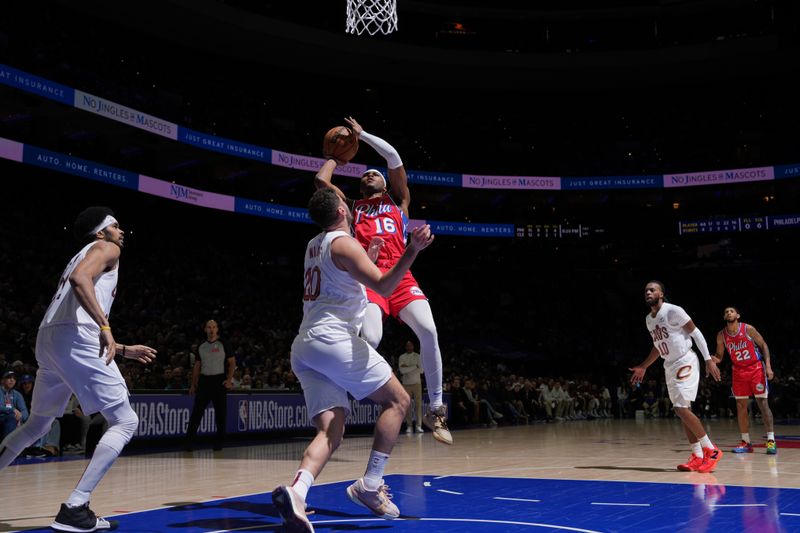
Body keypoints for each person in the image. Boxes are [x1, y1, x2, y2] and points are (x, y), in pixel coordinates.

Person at [271, 185, 434, 532]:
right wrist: (412, 249)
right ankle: (370, 486)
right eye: (345, 202)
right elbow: (386, 287)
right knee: (398, 400)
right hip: (334, 340)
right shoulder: (344, 243)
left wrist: (369, 259)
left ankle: (296, 493)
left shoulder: (314, 245)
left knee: (332, 429)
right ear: (342, 211)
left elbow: (342, 284)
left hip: (305, 345)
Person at [0, 206, 157, 532]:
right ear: (101, 232)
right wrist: (106, 327)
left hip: (49, 338)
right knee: (126, 421)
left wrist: (123, 349)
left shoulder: (81, 253)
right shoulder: (107, 248)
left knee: (38, 424)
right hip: (75, 337)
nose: (121, 230)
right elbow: (80, 280)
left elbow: (75, 304)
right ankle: (76, 505)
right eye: (115, 225)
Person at [315, 117, 451, 446]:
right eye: (365, 174)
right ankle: (340, 389)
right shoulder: (350, 208)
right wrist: (336, 157)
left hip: (401, 274)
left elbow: (393, 158)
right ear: (361, 187)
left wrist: (362, 137)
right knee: (371, 338)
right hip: (370, 277)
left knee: (429, 330)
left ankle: (436, 408)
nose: (371, 173)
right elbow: (320, 181)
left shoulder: (399, 201)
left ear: (386, 185)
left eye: (374, 173)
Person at [630, 280, 723, 473]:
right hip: (669, 364)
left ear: (661, 294)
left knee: (680, 408)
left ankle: (711, 450)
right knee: (682, 410)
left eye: (652, 289)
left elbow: (696, 333)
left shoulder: (673, 310)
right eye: (646, 290)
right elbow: (658, 346)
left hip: (685, 360)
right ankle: (697, 456)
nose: (648, 292)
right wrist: (644, 366)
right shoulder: (649, 319)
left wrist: (708, 359)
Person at [711, 306, 777, 454]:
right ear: (724, 317)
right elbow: (719, 356)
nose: (729, 313)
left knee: (762, 403)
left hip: (755, 368)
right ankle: (746, 442)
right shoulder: (721, 335)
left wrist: (768, 366)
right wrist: (712, 360)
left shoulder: (748, 329)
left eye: (731, 311)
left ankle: (771, 440)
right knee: (741, 407)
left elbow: (763, 345)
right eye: (726, 311)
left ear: (738, 315)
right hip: (738, 372)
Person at [185, 319, 235, 451]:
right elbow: (197, 366)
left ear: (217, 329)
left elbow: (232, 363)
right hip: (204, 381)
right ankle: (189, 442)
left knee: (220, 414)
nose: (211, 330)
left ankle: (219, 443)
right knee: (196, 413)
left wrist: (229, 380)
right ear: (205, 329)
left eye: (213, 327)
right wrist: (193, 384)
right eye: (209, 327)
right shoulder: (201, 345)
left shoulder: (224, 343)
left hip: (219, 381)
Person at [398, 340, 424, 433]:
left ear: (413, 347)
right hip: (406, 384)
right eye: (407, 346)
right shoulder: (402, 357)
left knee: (418, 405)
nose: (409, 347)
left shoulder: (418, 356)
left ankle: (418, 426)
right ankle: (409, 426)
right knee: (407, 405)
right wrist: (414, 366)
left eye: (411, 345)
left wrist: (407, 367)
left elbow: (421, 370)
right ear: (406, 347)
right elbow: (402, 371)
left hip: (417, 383)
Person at [0, 371, 28, 441]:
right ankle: (6, 447)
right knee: (12, 417)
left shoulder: (17, 394)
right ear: (2, 380)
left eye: (14, 378)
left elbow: (24, 411)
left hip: (12, 419)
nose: (12, 380)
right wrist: (12, 410)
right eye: (9, 377)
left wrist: (20, 417)